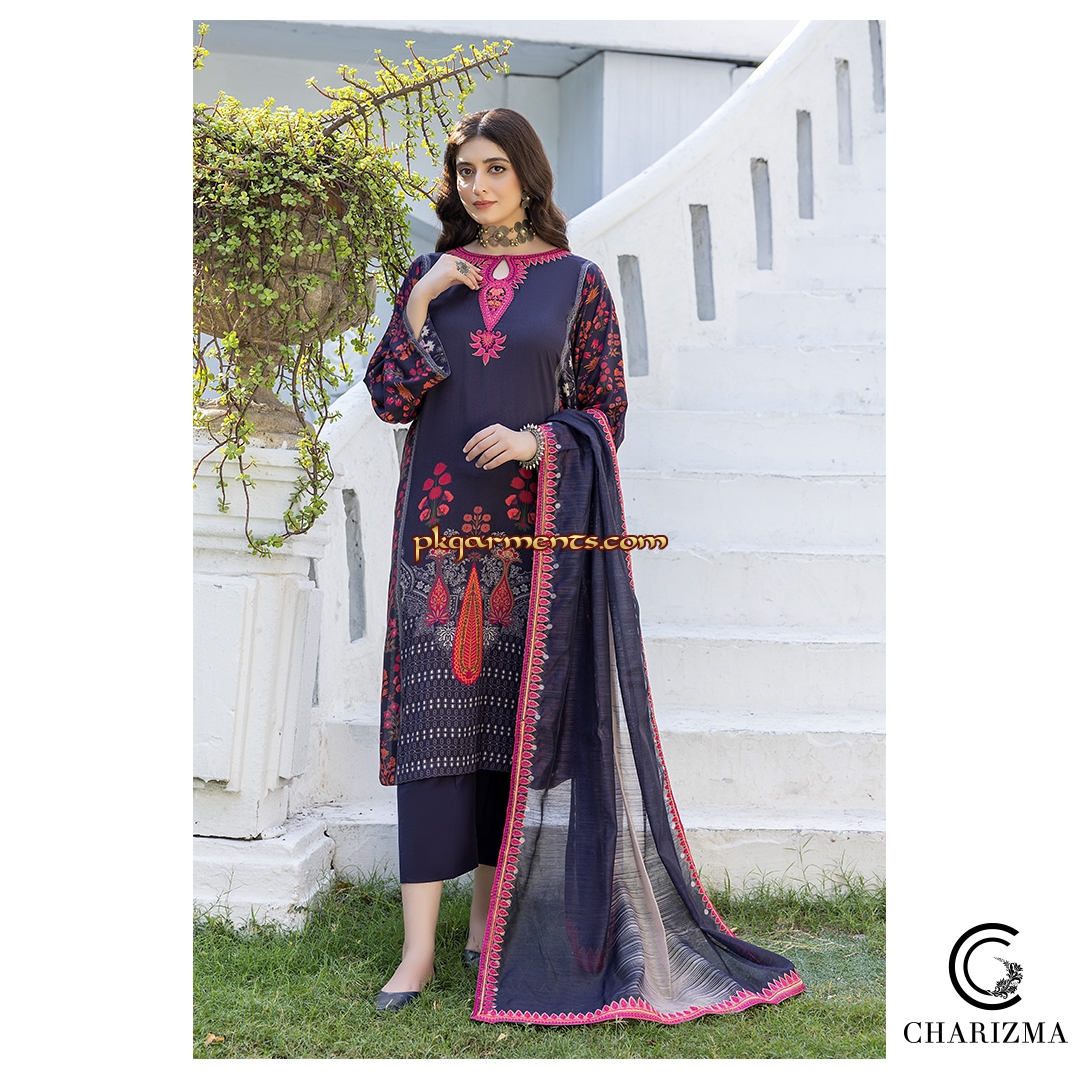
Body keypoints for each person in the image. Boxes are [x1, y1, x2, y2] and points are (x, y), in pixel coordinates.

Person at [365, 108, 804, 1024]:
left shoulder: (577, 283)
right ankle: (415, 952)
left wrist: (537, 442)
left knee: (506, 736)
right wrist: (418, 304)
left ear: (528, 176)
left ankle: (488, 927)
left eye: (495, 168)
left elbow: (606, 411)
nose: (478, 186)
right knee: (437, 738)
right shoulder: (430, 276)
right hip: (436, 541)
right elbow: (391, 400)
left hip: (532, 537)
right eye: (465, 171)